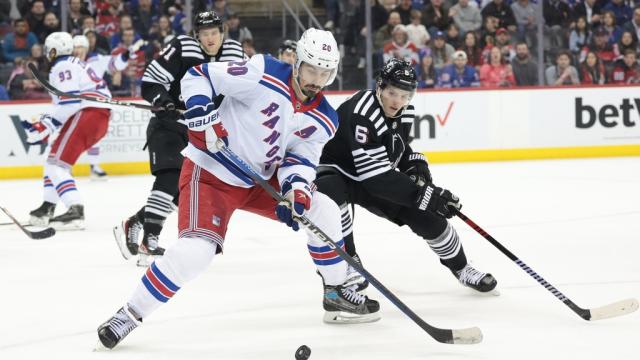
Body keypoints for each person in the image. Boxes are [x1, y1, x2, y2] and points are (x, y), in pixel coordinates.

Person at [96, 28, 380, 350]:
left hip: (259, 179)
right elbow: (198, 76)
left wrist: (296, 193)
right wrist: (203, 107)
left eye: (325, 72)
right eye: (312, 69)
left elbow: (300, 158)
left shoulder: (325, 118)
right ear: (298, 61)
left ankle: (335, 292)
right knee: (196, 252)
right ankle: (130, 313)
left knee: (324, 208)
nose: (317, 79)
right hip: (212, 169)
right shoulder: (264, 72)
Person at [313, 58, 497, 299]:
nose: (397, 101)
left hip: (371, 172)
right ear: (379, 86)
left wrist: (414, 163)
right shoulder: (363, 112)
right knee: (335, 203)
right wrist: (428, 195)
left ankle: (461, 268)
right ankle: (348, 262)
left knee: (428, 217)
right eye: (391, 92)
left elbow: (394, 149)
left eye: (404, 95)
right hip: (336, 171)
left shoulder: (404, 110)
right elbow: (377, 179)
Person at [112, 10, 247, 267]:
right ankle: (149, 241)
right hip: (168, 125)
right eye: (205, 34)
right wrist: (163, 100)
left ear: (222, 33)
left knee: (182, 189)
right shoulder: (182, 48)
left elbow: (249, 90)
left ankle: (137, 222)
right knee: (170, 176)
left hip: (201, 132)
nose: (210, 39)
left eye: (214, 33)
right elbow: (150, 83)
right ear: (197, 36)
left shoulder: (236, 53)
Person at [25, 32, 112, 229]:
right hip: (96, 116)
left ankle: (75, 208)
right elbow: (68, 102)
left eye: (48, 49)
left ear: (53, 50)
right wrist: (48, 123)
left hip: (88, 114)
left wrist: (47, 125)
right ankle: (48, 206)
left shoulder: (62, 66)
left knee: (57, 165)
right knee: (53, 161)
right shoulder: (77, 64)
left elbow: (70, 102)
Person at [72, 34, 145, 179]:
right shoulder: (69, 64)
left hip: (93, 102)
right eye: (75, 47)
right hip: (74, 103)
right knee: (73, 135)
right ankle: (67, 164)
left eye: (80, 47)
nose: (77, 50)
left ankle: (94, 166)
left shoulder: (97, 60)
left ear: (86, 48)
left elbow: (115, 64)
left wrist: (125, 55)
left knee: (93, 134)